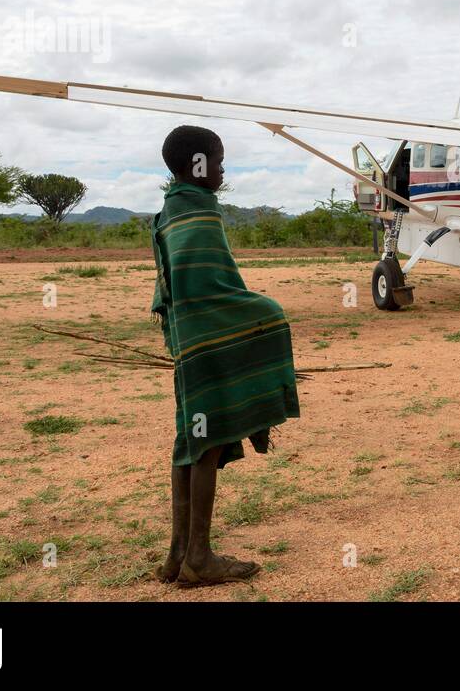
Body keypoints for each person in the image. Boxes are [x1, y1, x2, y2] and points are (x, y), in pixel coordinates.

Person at [151, 125, 301, 587]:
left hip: (190, 343)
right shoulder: (198, 213)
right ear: (198, 164)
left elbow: (182, 289)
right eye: (218, 161)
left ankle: (178, 554)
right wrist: (267, 316)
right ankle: (199, 556)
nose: (221, 169)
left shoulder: (172, 210)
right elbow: (208, 289)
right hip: (207, 344)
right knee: (207, 442)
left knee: (190, 442)